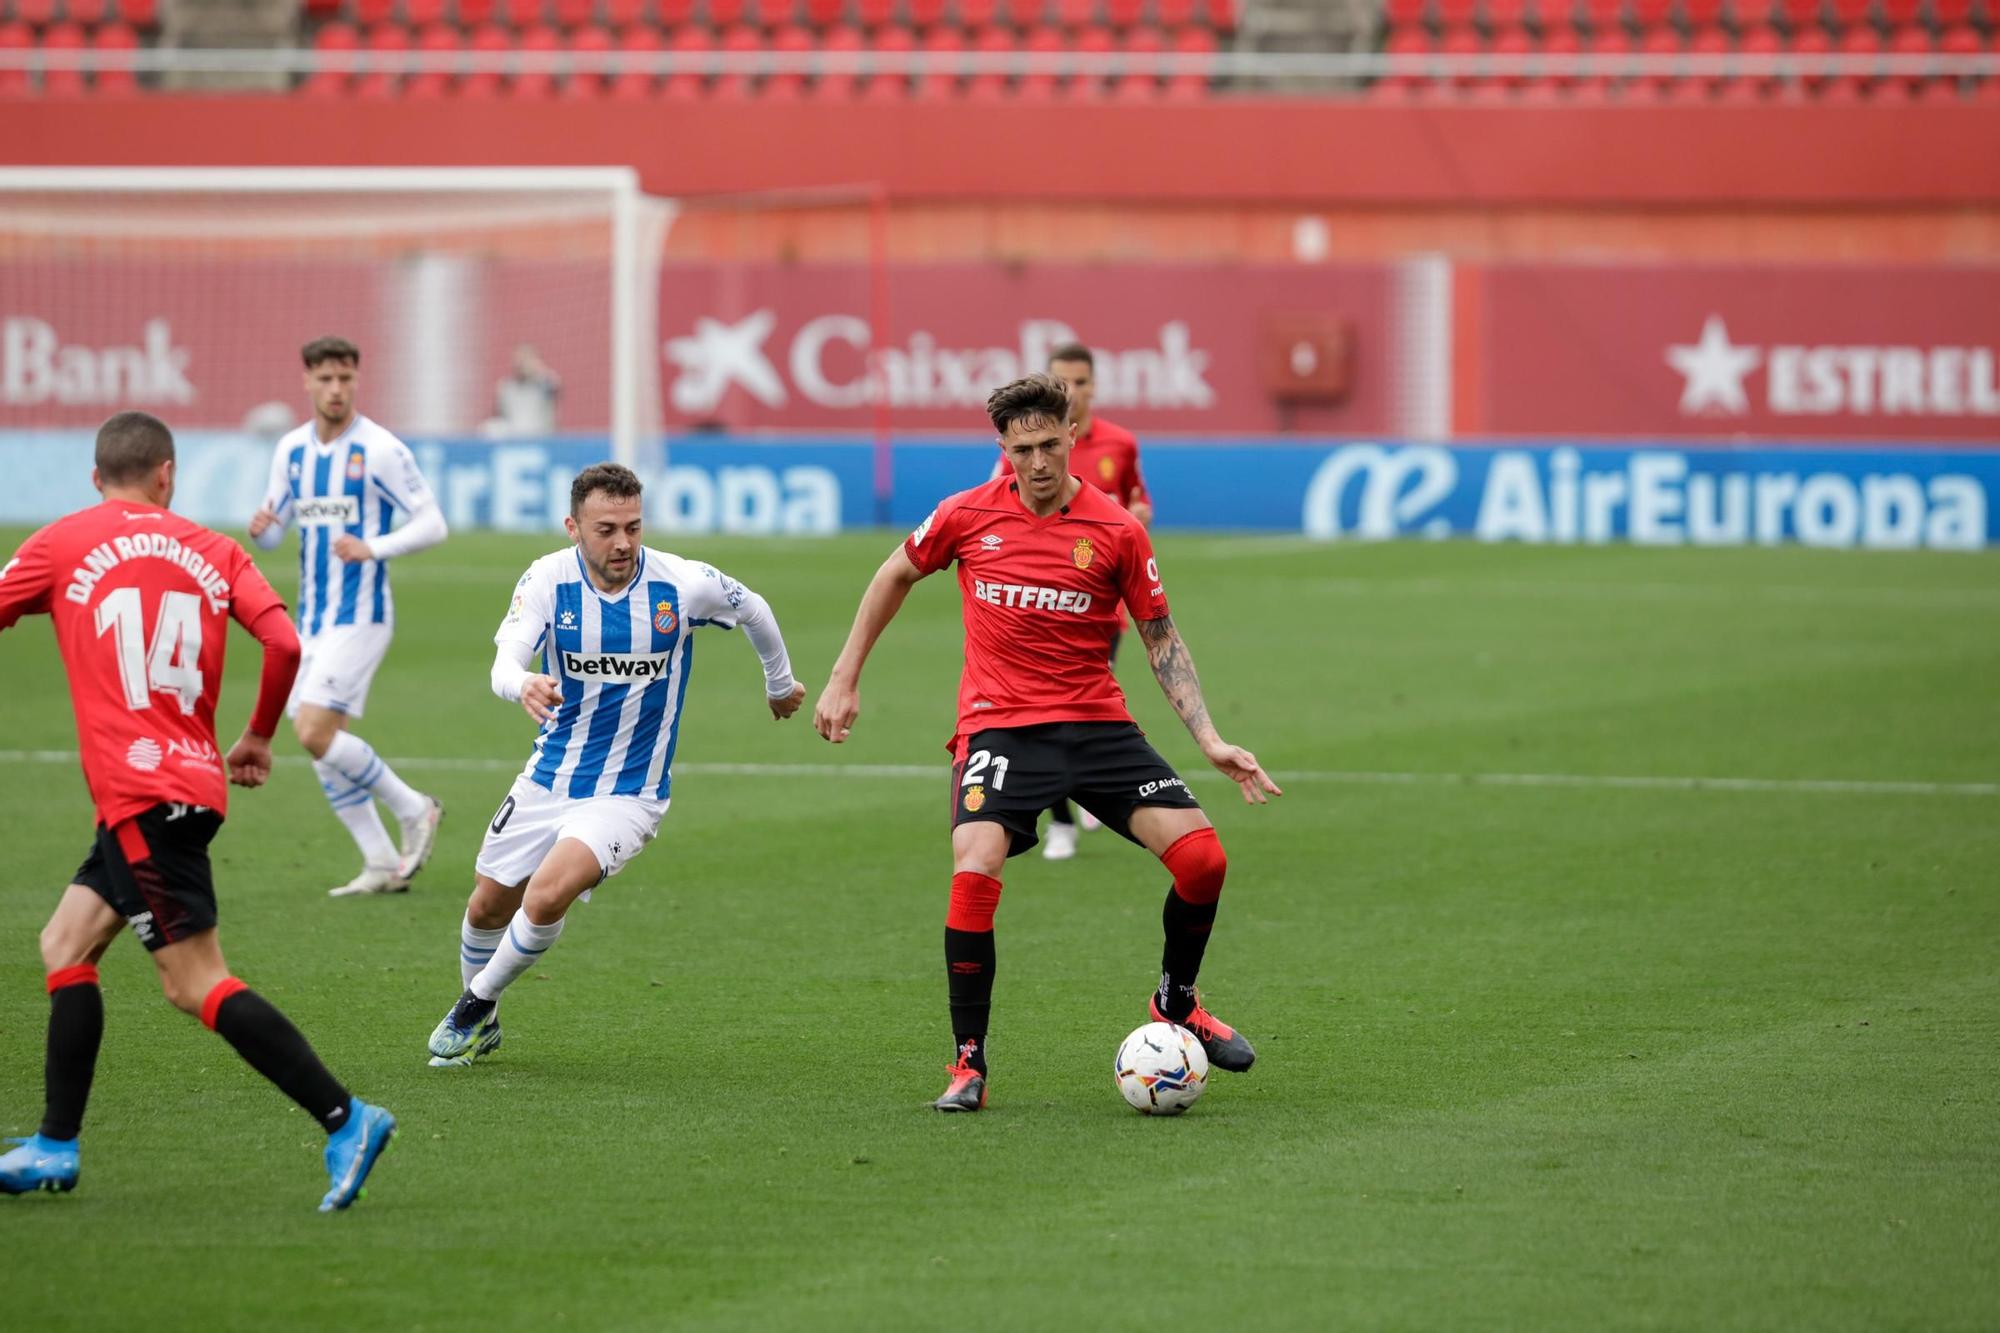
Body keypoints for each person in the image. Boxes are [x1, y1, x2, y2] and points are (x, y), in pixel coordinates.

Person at [814, 373, 1281, 1113]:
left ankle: (1177, 999)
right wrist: (844, 677)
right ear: (1002, 446)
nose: (1036, 462)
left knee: (1204, 860)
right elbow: (895, 571)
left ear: (1073, 436)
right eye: (1022, 447)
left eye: (1049, 444)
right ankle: (969, 1063)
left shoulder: (1118, 530)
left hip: (1096, 725)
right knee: (975, 868)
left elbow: (1160, 637)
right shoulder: (966, 514)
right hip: (999, 726)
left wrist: (1210, 736)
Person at [0, 411, 395, 1209]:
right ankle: (55, 1143)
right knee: (65, 941)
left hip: (140, 796)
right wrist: (253, 736)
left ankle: (347, 1116)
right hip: (189, 786)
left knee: (193, 982)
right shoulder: (216, 550)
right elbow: (283, 644)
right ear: (167, 475)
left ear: (94, 477)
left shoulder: (61, 542)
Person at [425, 463, 806, 1067]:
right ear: (574, 526)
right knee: (486, 908)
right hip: (549, 776)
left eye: (633, 526)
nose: (623, 542)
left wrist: (779, 684)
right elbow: (505, 661)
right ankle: (486, 1021)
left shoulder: (681, 583)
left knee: (547, 895)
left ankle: (472, 1003)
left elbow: (754, 609)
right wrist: (521, 684)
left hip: (631, 792)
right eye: (606, 529)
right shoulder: (547, 579)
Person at [249, 336, 448, 898]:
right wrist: (263, 528)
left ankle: (416, 809)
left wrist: (374, 546)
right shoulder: (291, 450)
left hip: (361, 614)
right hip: (311, 618)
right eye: (326, 379)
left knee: (314, 731)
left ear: (356, 381)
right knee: (318, 741)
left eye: (345, 378)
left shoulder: (380, 449)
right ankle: (380, 861)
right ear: (307, 382)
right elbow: (274, 531)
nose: (336, 389)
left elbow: (433, 523)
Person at [1039, 341, 1152, 861]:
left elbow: (1137, 497)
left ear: (1094, 386)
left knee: (1079, 708)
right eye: (1062, 381)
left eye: (1080, 382)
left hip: (1102, 608)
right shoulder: (1037, 443)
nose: (1072, 391)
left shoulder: (1120, 443)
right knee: (1049, 711)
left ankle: (1083, 791)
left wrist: (1137, 517)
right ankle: (1060, 821)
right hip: (1040, 603)